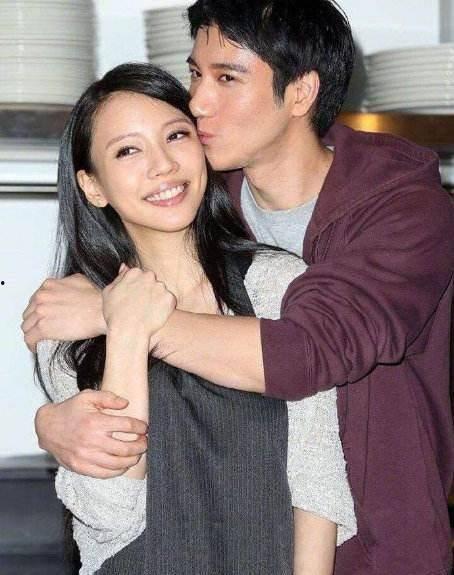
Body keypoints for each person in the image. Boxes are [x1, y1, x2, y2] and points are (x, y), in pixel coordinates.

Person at [23, 1, 454, 574]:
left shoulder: (403, 210)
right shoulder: (203, 197)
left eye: (227, 78)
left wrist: (118, 315)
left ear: (300, 93)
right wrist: (52, 423)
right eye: (195, 73)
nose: (198, 101)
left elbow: (309, 353)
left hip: (380, 550)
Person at [34, 62, 355, 575]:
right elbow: (109, 514)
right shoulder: (66, 321)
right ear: (93, 187)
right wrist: (127, 327)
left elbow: (318, 479)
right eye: (128, 151)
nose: (162, 165)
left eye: (176, 135)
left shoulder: (274, 283)